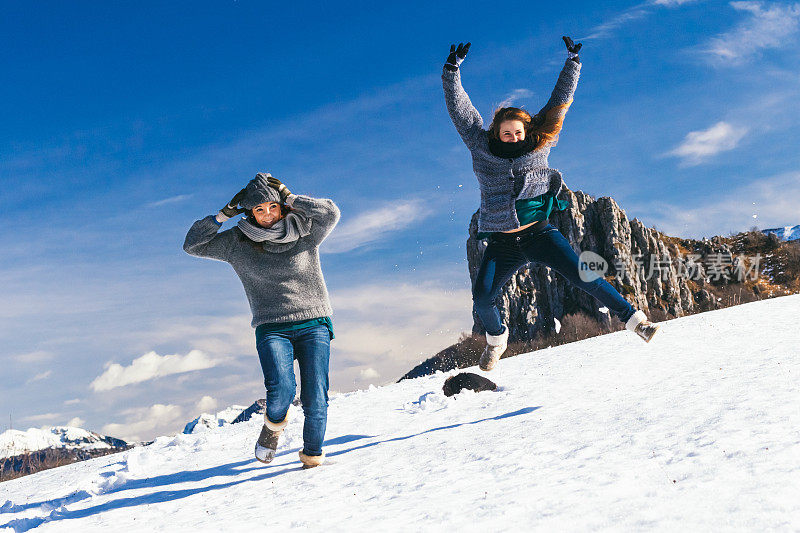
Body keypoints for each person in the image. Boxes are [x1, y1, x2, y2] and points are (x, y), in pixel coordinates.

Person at [442, 37, 660, 372]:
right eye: (506, 133)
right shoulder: (481, 149)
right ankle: (497, 339)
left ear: (526, 131)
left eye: (518, 132)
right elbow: (462, 113)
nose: (513, 137)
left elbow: (559, 102)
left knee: (585, 277)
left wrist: (573, 62)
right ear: (496, 134)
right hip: (503, 243)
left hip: (541, 236)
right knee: (482, 298)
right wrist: (452, 71)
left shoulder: (538, 147)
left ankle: (636, 322)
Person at [183, 173, 340, 468]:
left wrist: (291, 196)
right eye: (259, 209)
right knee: (281, 390)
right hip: (272, 326)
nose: (267, 215)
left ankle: (312, 459)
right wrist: (221, 215)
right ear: (249, 213)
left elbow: (330, 212)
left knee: (315, 397)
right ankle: (273, 426)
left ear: (281, 207)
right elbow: (193, 245)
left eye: (272, 207)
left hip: (314, 322)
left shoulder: (306, 230)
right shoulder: (237, 243)